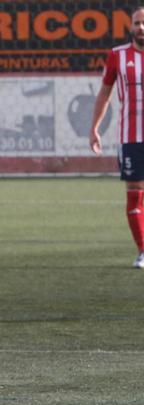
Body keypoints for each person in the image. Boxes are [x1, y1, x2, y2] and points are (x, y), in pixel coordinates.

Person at [90, 6, 144, 268]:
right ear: (130, 26)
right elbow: (104, 94)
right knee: (134, 194)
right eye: (137, 23)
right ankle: (143, 250)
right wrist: (94, 128)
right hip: (131, 138)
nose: (141, 28)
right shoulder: (117, 56)